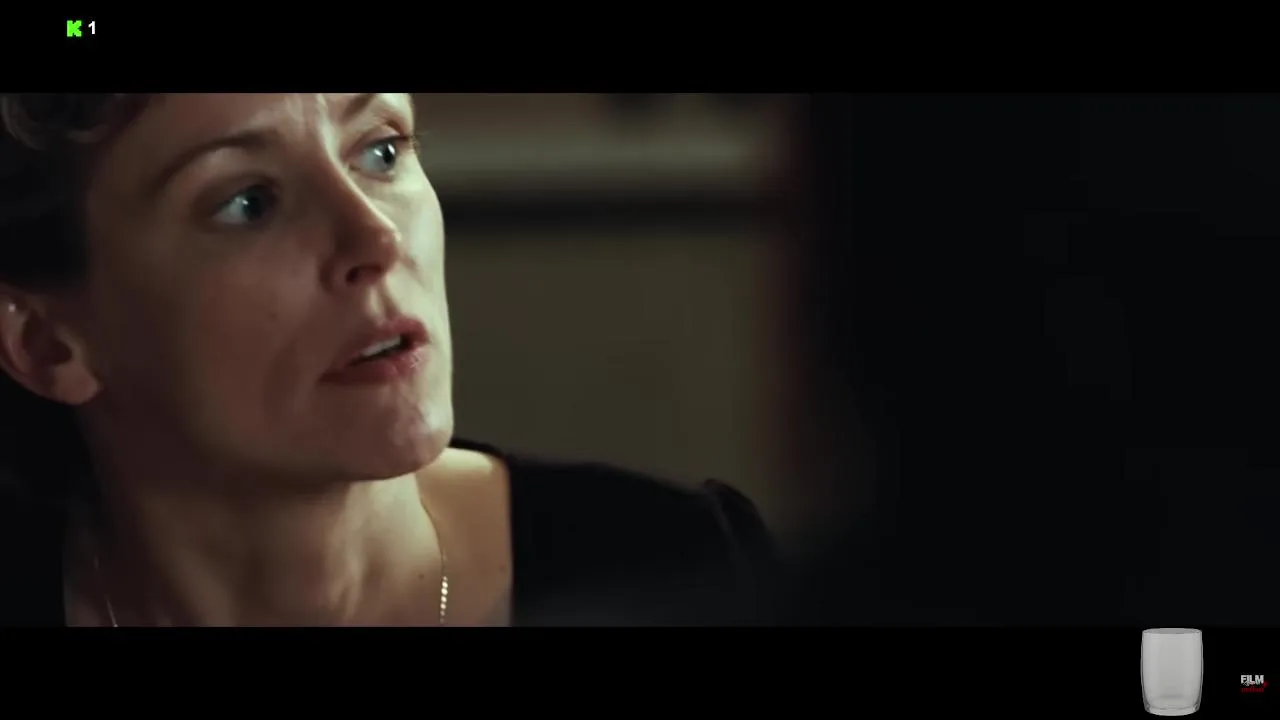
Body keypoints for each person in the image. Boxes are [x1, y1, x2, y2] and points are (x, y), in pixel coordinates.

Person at [0, 93, 775, 627]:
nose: (378, 236)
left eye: (381, 150)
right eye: (248, 203)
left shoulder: (680, 574)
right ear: (45, 342)